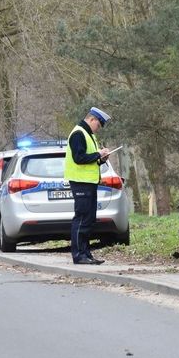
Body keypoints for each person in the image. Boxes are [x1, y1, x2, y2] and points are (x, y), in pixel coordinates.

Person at [64, 107, 111, 265]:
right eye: (98, 125)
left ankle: (86, 253)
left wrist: (101, 159)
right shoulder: (78, 133)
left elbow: (89, 159)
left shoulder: (88, 134)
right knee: (82, 218)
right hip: (80, 182)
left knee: (89, 220)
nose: (98, 129)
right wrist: (98, 154)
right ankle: (79, 255)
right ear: (92, 120)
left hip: (89, 182)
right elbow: (79, 158)